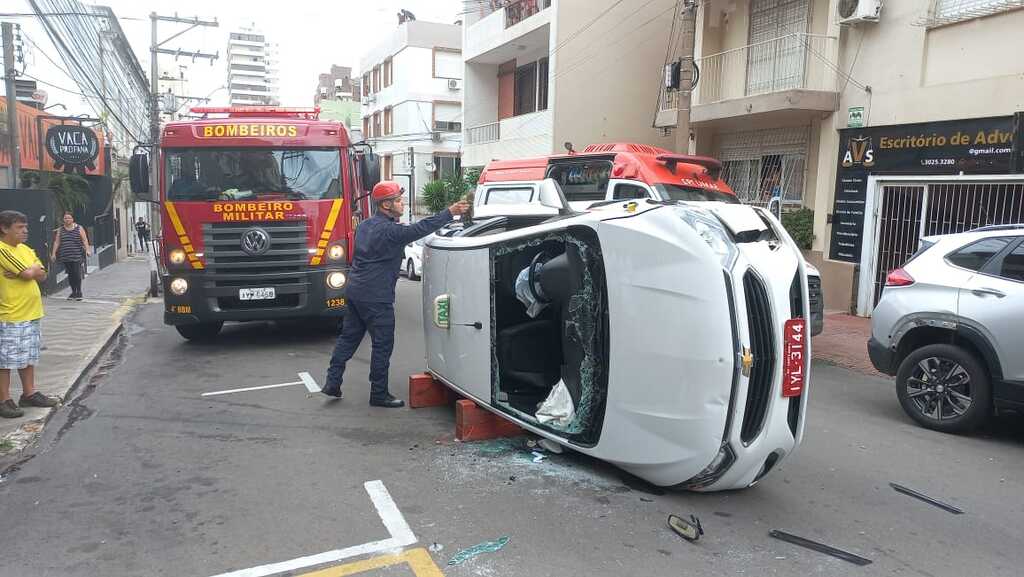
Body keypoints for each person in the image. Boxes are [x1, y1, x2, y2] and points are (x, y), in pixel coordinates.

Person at [322, 181, 469, 407]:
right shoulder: (390, 231)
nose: (402, 203)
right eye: (398, 200)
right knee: (382, 344)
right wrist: (449, 213)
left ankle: (332, 382)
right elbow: (419, 229)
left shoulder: (364, 226)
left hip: (355, 291)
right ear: (386, 205)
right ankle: (379, 394)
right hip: (376, 297)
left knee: (348, 339)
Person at [0, 211, 60, 419]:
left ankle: (29, 393)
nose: (25, 231)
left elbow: (42, 274)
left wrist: (31, 270)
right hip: (10, 314)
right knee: (5, 360)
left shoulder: (25, 249)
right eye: (19, 227)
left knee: (28, 356)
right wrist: (30, 270)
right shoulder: (2, 250)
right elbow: (28, 274)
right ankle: (4, 400)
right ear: (4, 228)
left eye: (25, 227)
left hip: (32, 312)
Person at [50, 212, 91, 301]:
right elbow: (57, 242)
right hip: (66, 255)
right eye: (65, 218)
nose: (67, 220)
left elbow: (84, 240)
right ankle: (73, 292)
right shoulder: (60, 230)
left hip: (77, 255)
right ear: (63, 220)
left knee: (77, 273)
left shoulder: (79, 228)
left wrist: (87, 250)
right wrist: (53, 253)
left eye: (69, 218)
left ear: (73, 219)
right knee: (70, 274)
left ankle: (79, 291)